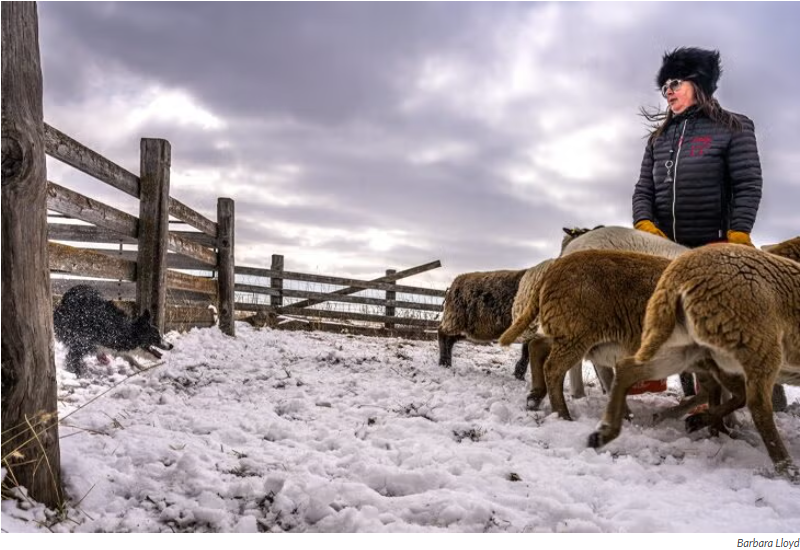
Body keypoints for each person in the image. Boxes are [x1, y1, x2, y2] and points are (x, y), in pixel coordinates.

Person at [631, 47, 786, 411]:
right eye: (663, 86)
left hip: (714, 242)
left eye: (674, 83)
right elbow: (643, 189)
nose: (667, 91)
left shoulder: (733, 126)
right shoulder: (659, 138)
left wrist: (738, 232)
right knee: (666, 315)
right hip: (665, 245)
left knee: (717, 325)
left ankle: (752, 396)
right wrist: (644, 223)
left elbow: (748, 183)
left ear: (698, 84)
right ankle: (675, 387)